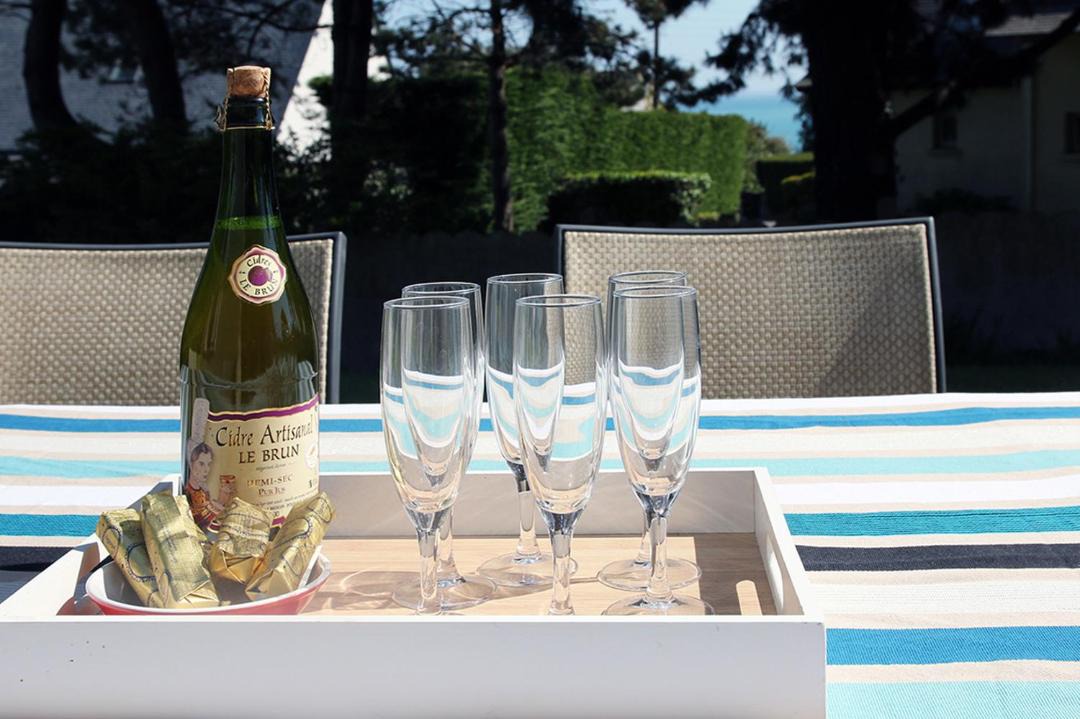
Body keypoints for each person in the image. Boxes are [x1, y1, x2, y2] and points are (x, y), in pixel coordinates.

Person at [185, 442, 218, 528]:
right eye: (201, 464)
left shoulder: (205, 493)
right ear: (191, 464)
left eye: (208, 464)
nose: (206, 469)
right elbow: (196, 522)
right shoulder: (187, 491)